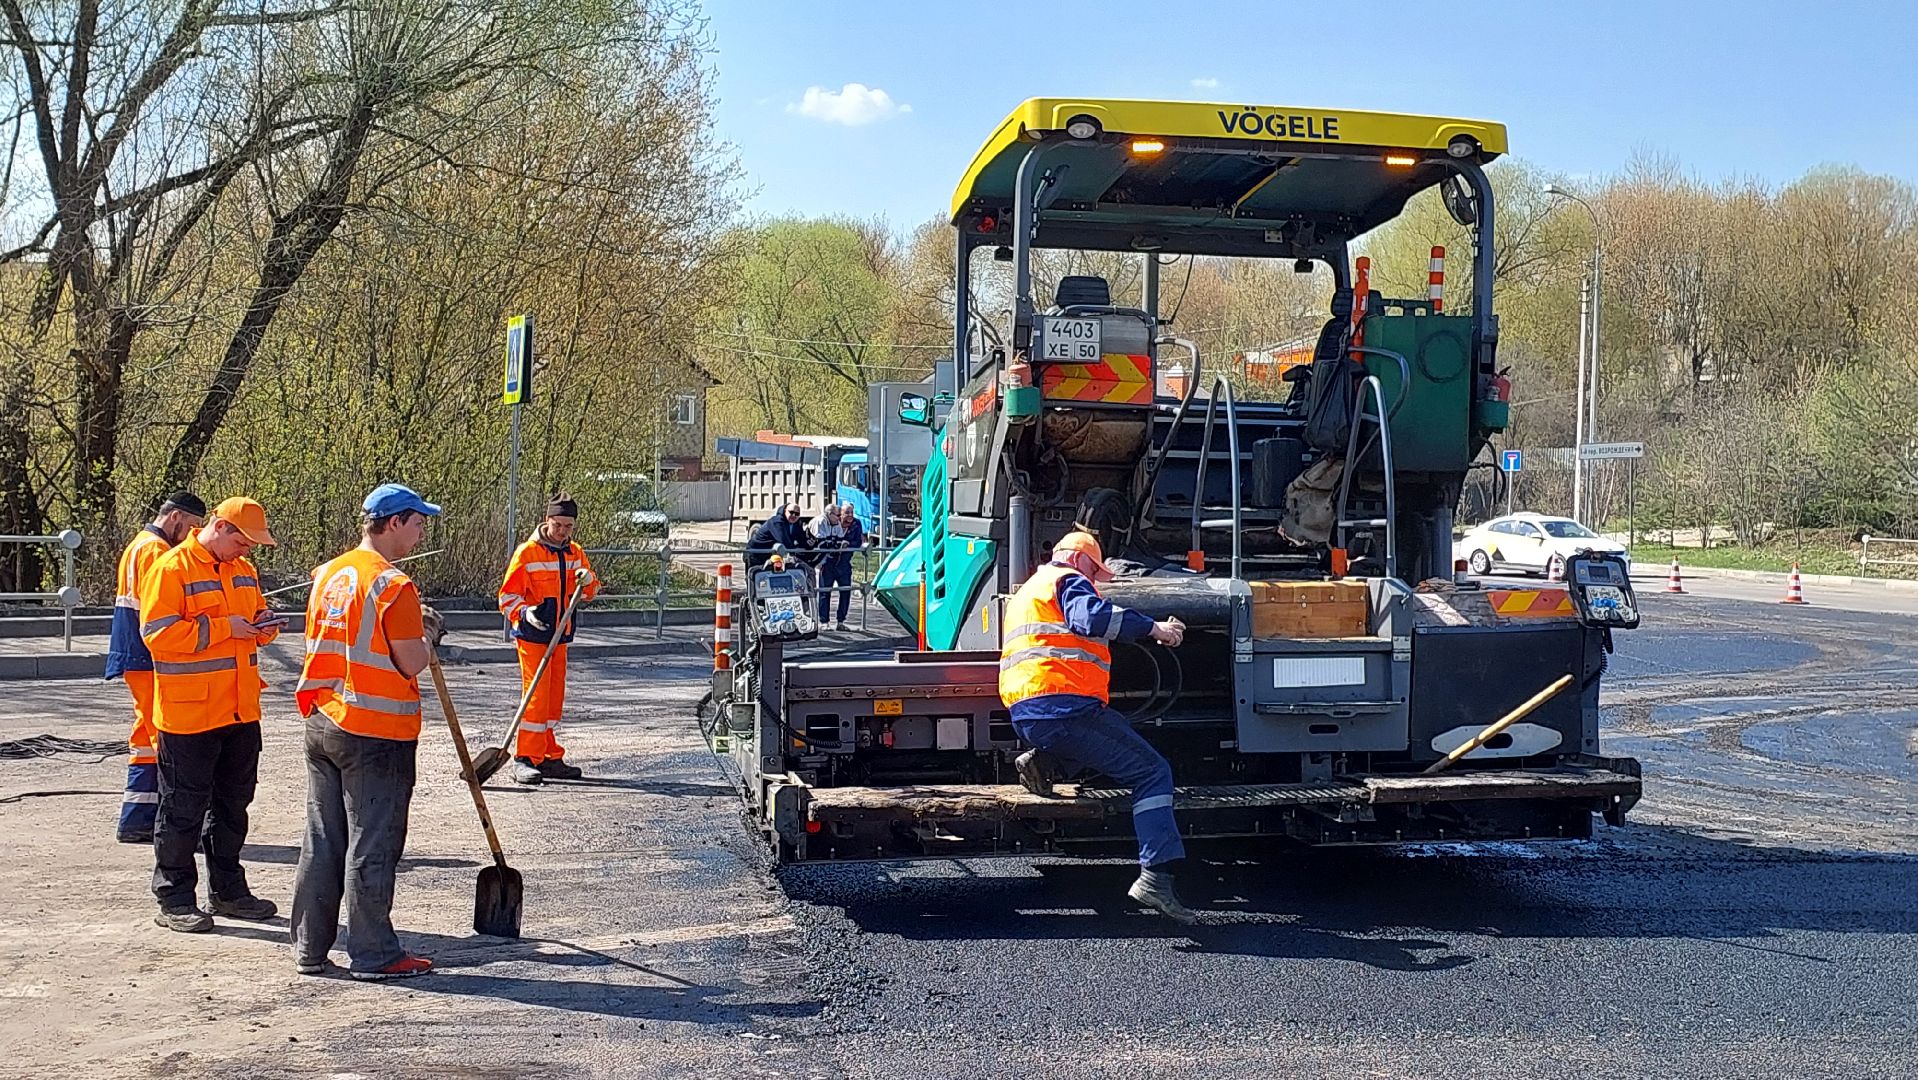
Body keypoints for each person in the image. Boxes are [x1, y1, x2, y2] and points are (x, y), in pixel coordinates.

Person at [998, 531, 1195, 922]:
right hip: (1065, 705)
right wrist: (1155, 629)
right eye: (1094, 568)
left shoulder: (1028, 591)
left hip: (1029, 711)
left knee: (1099, 745)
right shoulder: (1068, 580)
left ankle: (1046, 764)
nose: (1095, 578)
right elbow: (1091, 617)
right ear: (1077, 559)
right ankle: (1155, 877)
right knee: (1152, 772)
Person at [291, 484, 445, 980]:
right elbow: (411, 661)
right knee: (372, 844)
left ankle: (310, 947)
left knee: (323, 838)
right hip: (375, 731)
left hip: (323, 719)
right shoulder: (393, 585)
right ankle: (374, 953)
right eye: (419, 522)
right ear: (395, 522)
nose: (423, 532)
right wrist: (429, 636)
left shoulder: (328, 574)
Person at [139, 496, 283, 933]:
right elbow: (157, 635)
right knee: (182, 808)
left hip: (239, 710)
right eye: (243, 541)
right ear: (219, 528)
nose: (248, 551)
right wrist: (226, 628)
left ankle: (229, 891)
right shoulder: (171, 568)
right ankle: (175, 897)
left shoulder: (243, 570)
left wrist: (265, 625)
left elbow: (251, 619)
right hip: (189, 717)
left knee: (232, 806)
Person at [105, 491, 206, 844]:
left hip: (134, 651)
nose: (194, 535)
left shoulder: (139, 544)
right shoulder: (158, 553)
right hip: (148, 655)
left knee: (146, 735)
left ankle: (138, 816)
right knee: (163, 737)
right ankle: (168, 821)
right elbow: (164, 608)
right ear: (176, 517)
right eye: (192, 526)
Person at [497, 494, 599, 785]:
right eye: (558, 525)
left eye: (568, 526)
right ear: (547, 521)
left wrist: (589, 581)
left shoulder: (575, 553)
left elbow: (590, 592)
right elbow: (506, 597)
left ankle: (548, 754)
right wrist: (525, 612)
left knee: (553, 699)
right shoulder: (527, 553)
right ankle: (525, 757)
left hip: (561, 635)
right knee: (537, 696)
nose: (563, 531)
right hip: (533, 637)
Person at [808, 503, 854, 629]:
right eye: (838, 515)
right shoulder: (820, 522)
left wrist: (837, 544)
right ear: (829, 514)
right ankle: (824, 622)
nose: (840, 518)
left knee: (845, 590)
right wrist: (835, 545)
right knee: (824, 591)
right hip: (823, 562)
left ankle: (841, 622)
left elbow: (838, 541)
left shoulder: (836, 523)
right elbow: (822, 544)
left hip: (838, 562)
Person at [745, 503, 810, 572]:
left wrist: (809, 544)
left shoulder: (796, 523)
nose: (794, 515)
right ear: (785, 511)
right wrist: (797, 549)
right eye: (791, 512)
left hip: (769, 554)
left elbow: (802, 540)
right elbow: (784, 541)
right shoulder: (777, 521)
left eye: (797, 514)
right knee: (755, 576)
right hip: (755, 552)